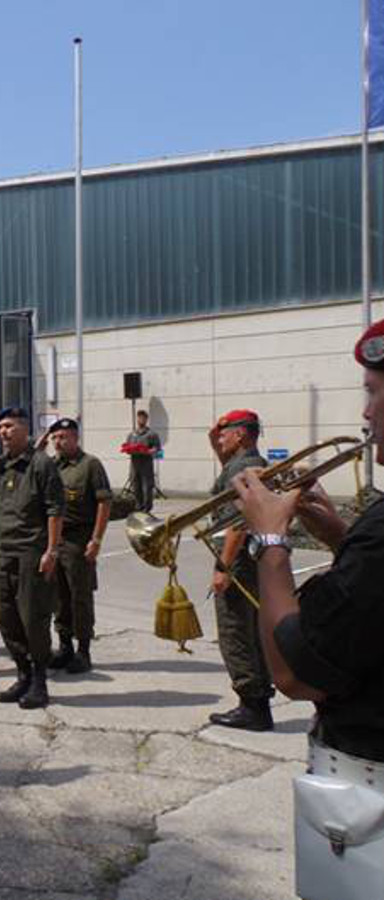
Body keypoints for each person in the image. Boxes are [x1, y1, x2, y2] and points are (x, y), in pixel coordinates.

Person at [231, 320, 384, 898]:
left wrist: (272, 543)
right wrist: (342, 537)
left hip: (368, 795)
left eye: (372, 390)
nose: (366, 414)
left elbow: (295, 671)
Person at [0, 408, 63, 710]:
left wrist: (52, 550)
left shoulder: (41, 464)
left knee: (33, 619)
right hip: (1, 552)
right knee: (7, 619)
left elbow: (55, 510)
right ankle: (23, 674)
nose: (3, 432)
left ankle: (40, 681)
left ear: (24, 429)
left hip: (31, 552)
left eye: (8, 427)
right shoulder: (0, 465)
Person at [207, 409, 274, 732]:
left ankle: (252, 705)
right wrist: (216, 435)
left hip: (237, 558)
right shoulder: (242, 463)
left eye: (225, 432)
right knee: (251, 629)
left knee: (235, 630)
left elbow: (239, 521)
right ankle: (258, 700)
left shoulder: (245, 467)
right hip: (245, 557)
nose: (219, 437)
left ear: (242, 435)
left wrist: (223, 566)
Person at [46, 418, 111, 674]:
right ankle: (64, 647)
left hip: (78, 540)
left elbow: (104, 504)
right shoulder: (50, 466)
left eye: (63, 437)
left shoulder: (89, 465)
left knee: (79, 596)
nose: (58, 442)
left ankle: (83, 650)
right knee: (58, 597)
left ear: (75, 438)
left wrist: (96, 539)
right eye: (55, 438)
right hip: (55, 540)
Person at [126, 410, 161, 513]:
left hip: (146, 464)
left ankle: (147, 508)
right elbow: (127, 446)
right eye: (139, 417)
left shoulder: (152, 434)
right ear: (137, 419)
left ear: (146, 419)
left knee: (147, 487)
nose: (141, 419)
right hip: (134, 464)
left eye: (143, 417)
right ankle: (138, 506)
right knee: (135, 486)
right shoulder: (132, 434)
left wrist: (148, 451)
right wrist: (129, 450)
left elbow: (157, 448)